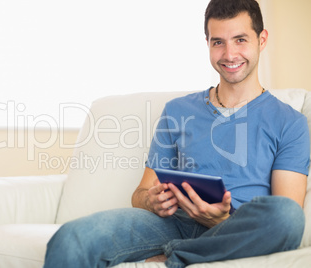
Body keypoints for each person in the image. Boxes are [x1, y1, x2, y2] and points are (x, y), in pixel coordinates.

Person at [44, 0, 310, 267]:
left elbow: (286, 216)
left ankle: (179, 255)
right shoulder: (178, 110)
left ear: (261, 40)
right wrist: (152, 200)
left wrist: (222, 221)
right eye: (218, 42)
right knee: (71, 238)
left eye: (240, 40)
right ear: (207, 43)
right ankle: (189, 250)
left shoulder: (290, 122)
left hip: (235, 230)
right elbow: (140, 194)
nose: (229, 54)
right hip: (174, 223)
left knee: (287, 215)